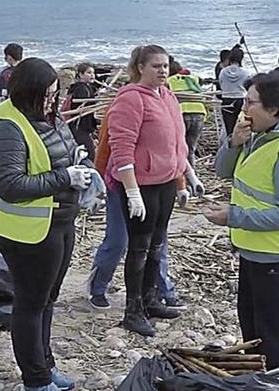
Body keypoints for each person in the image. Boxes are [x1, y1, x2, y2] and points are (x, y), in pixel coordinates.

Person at [0, 57, 98, 391]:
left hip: (59, 222)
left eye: (55, 94)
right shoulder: (8, 127)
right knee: (31, 303)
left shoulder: (50, 117)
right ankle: (35, 379)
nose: (52, 101)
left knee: (48, 299)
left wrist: (81, 163)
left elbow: (66, 149)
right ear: (29, 91)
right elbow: (10, 185)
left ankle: (45, 367)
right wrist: (65, 176)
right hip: (26, 231)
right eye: (46, 95)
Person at [205, 72, 279, 372]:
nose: (244, 108)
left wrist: (233, 217)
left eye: (250, 102)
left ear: (273, 109)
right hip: (253, 249)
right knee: (255, 328)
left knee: (277, 332)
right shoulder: (259, 136)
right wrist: (234, 142)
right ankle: (260, 379)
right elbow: (222, 172)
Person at [107, 45, 204, 337]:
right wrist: (132, 191)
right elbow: (121, 147)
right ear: (140, 68)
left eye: (165, 65)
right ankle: (132, 310)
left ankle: (150, 300)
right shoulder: (130, 99)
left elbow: (178, 144)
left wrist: (187, 176)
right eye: (156, 66)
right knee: (139, 247)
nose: (163, 71)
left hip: (165, 182)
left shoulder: (169, 96)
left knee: (158, 244)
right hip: (142, 185)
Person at [86, 106, 187, 312]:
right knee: (118, 241)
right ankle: (97, 288)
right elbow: (106, 148)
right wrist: (98, 187)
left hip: (155, 185)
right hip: (121, 185)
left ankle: (163, 291)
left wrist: (181, 184)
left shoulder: (165, 103)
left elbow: (172, 151)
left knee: (158, 241)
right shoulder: (122, 107)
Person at [166, 58, 206, 167]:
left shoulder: (169, 81)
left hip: (182, 113)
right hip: (199, 113)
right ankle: (192, 178)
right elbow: (201, 82)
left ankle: (179, 174)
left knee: (178, 147)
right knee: (191, 149)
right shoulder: (193, 78)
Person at [66, 62, 98, 161]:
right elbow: (79, 108)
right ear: (80, 74)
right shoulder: (81, 89)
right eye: (89, 73)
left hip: (80, 126)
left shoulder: (84, 87)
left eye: (93, 73)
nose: (92, 75)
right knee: (89, 154)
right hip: (79, 126)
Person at [0, 43, 24, 122]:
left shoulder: (0, 74)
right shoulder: (30, 71)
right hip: (25, 116)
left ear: (9, 57)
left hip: (5, 115)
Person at [218, 45, 251, 137]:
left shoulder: (223, 72)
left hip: (227, 99)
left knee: (229, 127)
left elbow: (221, 84)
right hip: (241, 100)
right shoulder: (245, 72)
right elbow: (248, 86)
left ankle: (230, 144)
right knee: (242, 126)